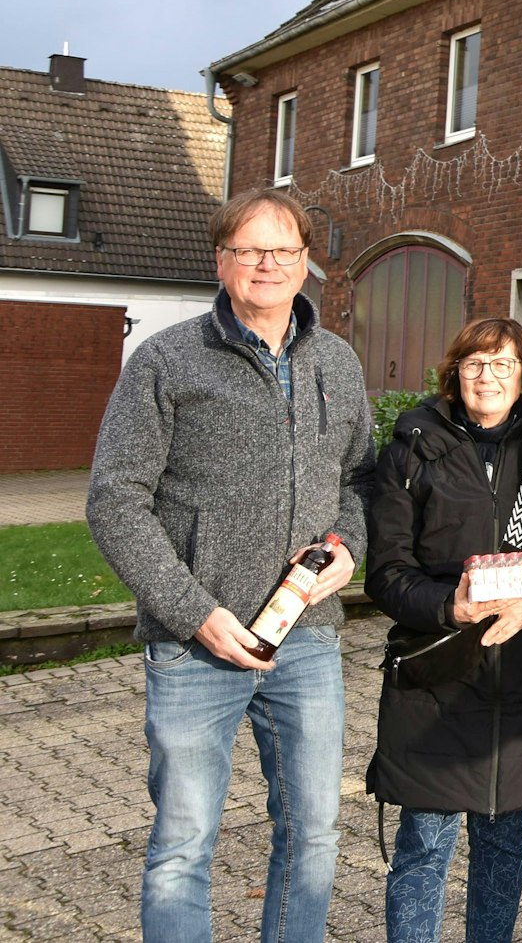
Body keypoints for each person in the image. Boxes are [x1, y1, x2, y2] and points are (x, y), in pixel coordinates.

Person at [86, 189, 373, 943]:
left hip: (306, 640)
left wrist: (350, 550)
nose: (268, 264)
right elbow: (115, 501)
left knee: (312, 836)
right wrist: (197, 614)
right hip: (193, 649)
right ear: (223, 261)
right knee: (183, 849)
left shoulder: (336, 361)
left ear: (307, 262)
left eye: (283, 250)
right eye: (250, 249)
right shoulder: (166, 359)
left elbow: (357, 482)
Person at [365, 317, 522, 943]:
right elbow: (385, 571)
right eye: (474, 364)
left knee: (504, 844)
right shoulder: (412, 446)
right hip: (437, 670)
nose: (487, 376)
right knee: (424, 846)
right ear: (455, 374)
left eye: (503, 364)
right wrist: (447, 607)